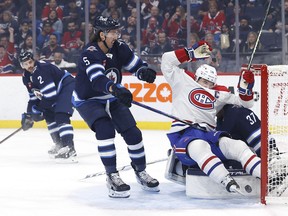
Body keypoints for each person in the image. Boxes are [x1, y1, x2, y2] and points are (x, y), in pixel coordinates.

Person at [72, 16, 159, 198]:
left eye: (116, 31)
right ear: (102, 34)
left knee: (133, 133)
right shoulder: (90, 52)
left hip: (111, 96)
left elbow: (134, 64)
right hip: (88, 99)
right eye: (113, 32)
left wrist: (143, 71)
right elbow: (97, 79)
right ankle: (112, 175)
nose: (116, 35)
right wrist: (115, 88)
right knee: (105, 130)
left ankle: (140, 171)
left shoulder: (119, 47)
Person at [161, 41, 261, 194]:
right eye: (203, 81)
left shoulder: (219, 94)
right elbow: (167, 60)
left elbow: (245, 104)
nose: (206, 86)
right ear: (197, 78)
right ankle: (225, 179)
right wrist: (190, 53)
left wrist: (245, 87)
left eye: (210, 83)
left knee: (237, 146)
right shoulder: (182, 81)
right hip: (184, 133)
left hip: (210, 134)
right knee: (199, 147)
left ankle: (266, 176)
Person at [19, 51, 77, 163]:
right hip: (56, 92)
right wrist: (29, 115)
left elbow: (50, 95)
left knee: (61, 114)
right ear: (22, 66)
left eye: (30, 62)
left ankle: (69, 148)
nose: (29, 66)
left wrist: (38, 110)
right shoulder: (26, 77)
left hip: (67, 86)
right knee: (49, 115)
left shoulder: (42, 69)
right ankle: (59, 144)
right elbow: (34, 98)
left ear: (33, 60)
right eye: (25, 64)